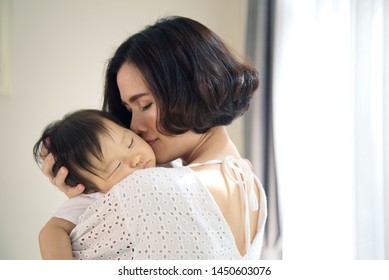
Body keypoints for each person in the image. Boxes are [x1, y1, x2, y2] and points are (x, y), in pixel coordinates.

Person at [40, 16, 267, 259]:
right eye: (129, 110)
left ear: (194, 88)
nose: (134, 126)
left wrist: (92, 203)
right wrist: (93, 191)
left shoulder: (146, 188)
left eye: (145, 105)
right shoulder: (251, 187)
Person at [33, 109, 156, 259]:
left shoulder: (168, 166)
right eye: (116, 166)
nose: (136, 159)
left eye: (130, 143)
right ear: (88, 189)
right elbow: (51, 232)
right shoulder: (90, 200)